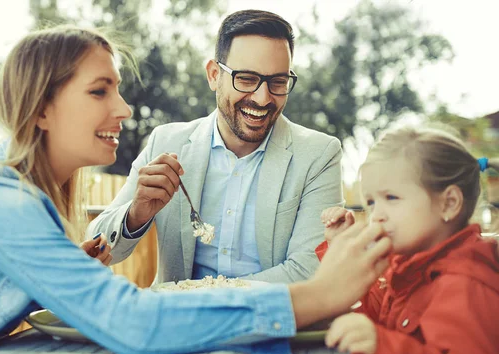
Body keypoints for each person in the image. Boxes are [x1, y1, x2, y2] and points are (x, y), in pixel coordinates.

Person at [0, 25, 391, 354]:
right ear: (42, 109)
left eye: (277, 81)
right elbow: (126, 319)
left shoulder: (17, 186)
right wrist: (322, 296)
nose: (125, 107)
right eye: (100, 91)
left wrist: (63, 270)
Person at [87, 9, 343, 284]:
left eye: (278, 82)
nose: (262, 97)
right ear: (213, 75)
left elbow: (308, 272)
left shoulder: (318, 154)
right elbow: (96, 248)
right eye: (246, 79)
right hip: (179, 324)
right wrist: (135, 215)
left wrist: (207, 297)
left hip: (271, 323)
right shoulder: (166, 142)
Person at [317, 127, 499, 354]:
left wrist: (384, 346)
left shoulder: (464, 283)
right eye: (370, 202)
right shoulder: (410, 263)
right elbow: (383, 316)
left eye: (391, 198)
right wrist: (339, 247)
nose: (376, 215)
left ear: (448, 203)